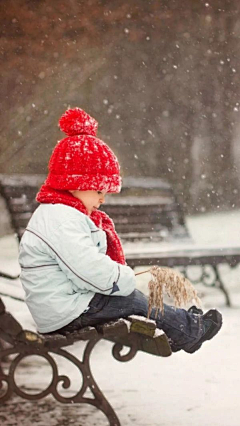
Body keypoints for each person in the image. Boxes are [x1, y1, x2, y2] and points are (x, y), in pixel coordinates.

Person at [18, 107, 222, 354]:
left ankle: (182, 322)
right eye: (99, 191)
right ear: (75, 184)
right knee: (131, 300)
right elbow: (89, 270)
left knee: (129, 299)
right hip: (66, 310)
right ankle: (190, 331)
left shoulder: (60, 214)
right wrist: (123, 277)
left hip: (65, 305)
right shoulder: (61, 219)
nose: (102, 199)